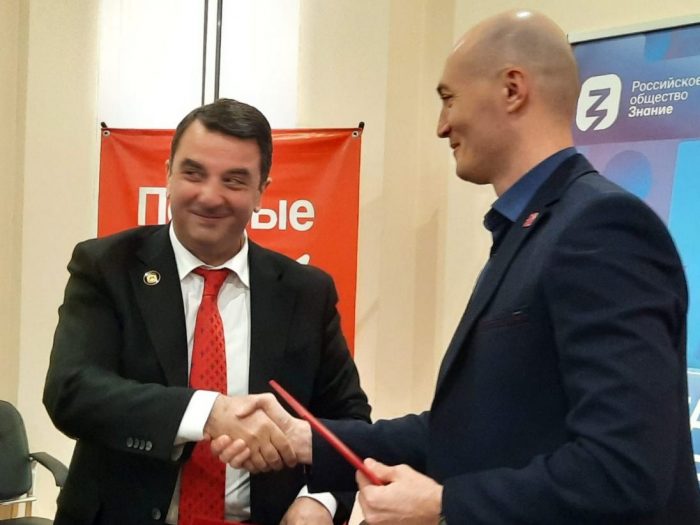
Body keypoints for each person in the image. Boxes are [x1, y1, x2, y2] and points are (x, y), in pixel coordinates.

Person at [213, 10, 700, 524]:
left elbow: (624, 470)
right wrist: (304, 438)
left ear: (512, 90)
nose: (441, 125)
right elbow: (468, 431)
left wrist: (443, 505)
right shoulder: (530, 230)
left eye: (449, 99)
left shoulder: (601, 228)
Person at [43, 98, 370, 525]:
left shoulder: (306, 292)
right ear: (168, 174)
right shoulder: (107, 266)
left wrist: (320, 502)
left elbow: (348, 421)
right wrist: (207, 413)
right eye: (193, 173)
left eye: (234, 180)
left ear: (261, 191)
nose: (210, 196)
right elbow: (72, 391)